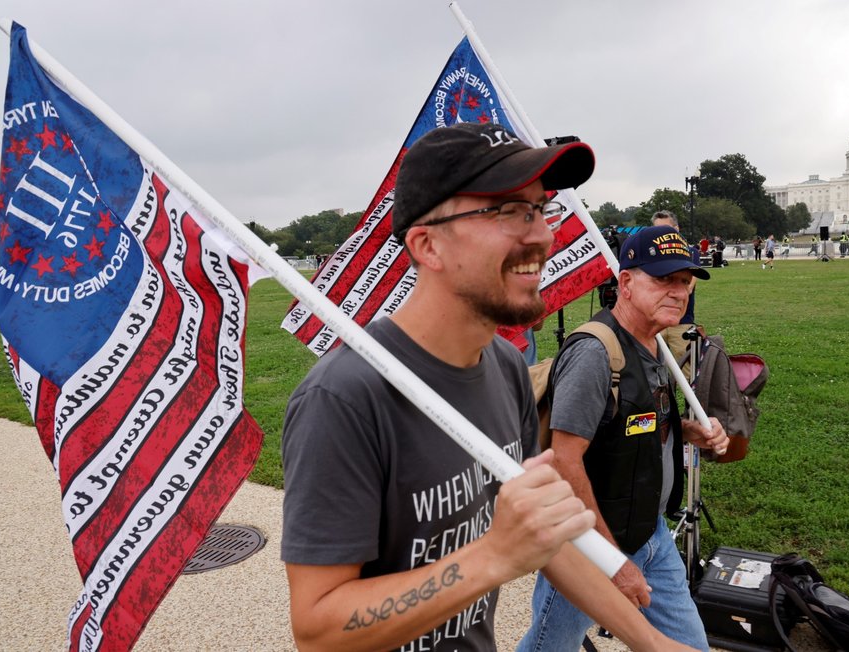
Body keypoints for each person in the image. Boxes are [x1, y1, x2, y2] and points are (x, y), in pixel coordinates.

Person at [281, 123, 692, 652]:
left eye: (540, 210)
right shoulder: (345, 398)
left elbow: (551, 544)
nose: (543, 235)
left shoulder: (503, 368)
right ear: (428, 244)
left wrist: (653, 643)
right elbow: (316, 629)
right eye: (508, 212)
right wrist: (492, 557)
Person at [518, 225, 729, 651]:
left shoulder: (654, 345)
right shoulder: (595, 354)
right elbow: (565, 460)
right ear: (626, 283)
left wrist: (691, 432)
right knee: (550, 647)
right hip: (594, 543)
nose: (678, 291)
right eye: (663, 279)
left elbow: (640, 424)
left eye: (684, 282)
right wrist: (610, 558)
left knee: (691, 646)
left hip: (651, 534)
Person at [650, 211, 696, 366]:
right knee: (651, 371)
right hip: (654, 323)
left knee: (689, 374)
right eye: (657, 230)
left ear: (677, 229)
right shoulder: (651, 256)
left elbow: (689, 287)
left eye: (666, 229)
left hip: (681, 323)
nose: (662, 234)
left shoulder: (689, 252)